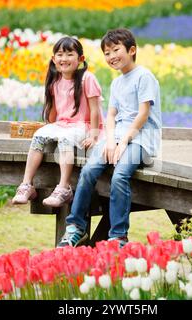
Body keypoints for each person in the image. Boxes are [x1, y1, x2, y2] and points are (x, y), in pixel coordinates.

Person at [57, 28, 162, 248]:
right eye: (107, 52)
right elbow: (112, 115)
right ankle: (75, 228)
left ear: (132, 50)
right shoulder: (116, 83)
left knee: (120, 175)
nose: (111, 56)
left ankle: (118, 236)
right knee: (88, 171)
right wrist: (111, 140)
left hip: (142, 139)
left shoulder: (144, 77)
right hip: (118, 136)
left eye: (116, 50)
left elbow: (143, 114)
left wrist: (123, 142)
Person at [12, 37, 104, 207]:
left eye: (70, 54)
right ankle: (27, 185)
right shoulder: (55, 80)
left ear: (81, 59)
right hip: (63, 125)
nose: (64, 59)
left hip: (82, 125)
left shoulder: (87, 79)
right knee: (38, 136)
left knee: (65, 139)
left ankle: (64, 188)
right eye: (60, 55)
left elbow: (95, 110)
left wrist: (93, 135)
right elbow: (54, 112)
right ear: (54, 59)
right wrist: (48, 127)